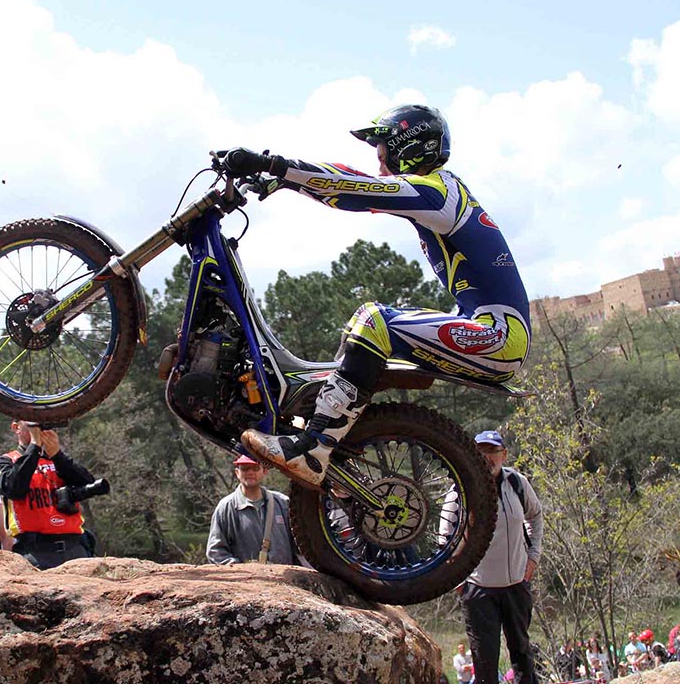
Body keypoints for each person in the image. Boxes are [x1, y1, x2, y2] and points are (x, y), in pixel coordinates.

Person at [227, 105, 531, 486]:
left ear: (409, 148)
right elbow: (354, 181)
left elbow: (358, 190)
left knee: (374, 321)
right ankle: (331, 446)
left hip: (497, 337)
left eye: (384, 154)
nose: (381, 166)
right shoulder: (440, 193)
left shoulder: (440, 194)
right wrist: (289, 180)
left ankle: (315, 447)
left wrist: (278, 166)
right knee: (362, 333)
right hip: (488, 331)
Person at [460, 430, 552, 684]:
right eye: (482, 450)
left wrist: (534, 556)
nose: (487, 456)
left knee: (522, 646)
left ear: (504, 454)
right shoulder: (461, 486)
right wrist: (459, 580)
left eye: (493, 450)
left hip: (516, 583)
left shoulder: (516, 482)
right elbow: (445, 538)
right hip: (479, 587)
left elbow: (536, 516)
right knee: (484, 653)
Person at [0, 419, 97, 568]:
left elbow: (88, 485)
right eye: (31, 425)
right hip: (35, 550)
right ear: (16, 427)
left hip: (74, 547)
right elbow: (14, 489)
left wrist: (57, 455)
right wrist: (34, 447)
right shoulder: (5, 462)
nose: (38, 429)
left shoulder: (57, 460)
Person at [206, 454, 299, 565]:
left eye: (255, 467)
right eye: (244, 468)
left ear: (265, 471)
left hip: (285, 579)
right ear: (237, 473)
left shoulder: (282, 503)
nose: (250, 472)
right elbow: (215, 552)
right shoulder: (226, 508)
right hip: (246, 580)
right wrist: (241, 570)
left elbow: (300, 546)